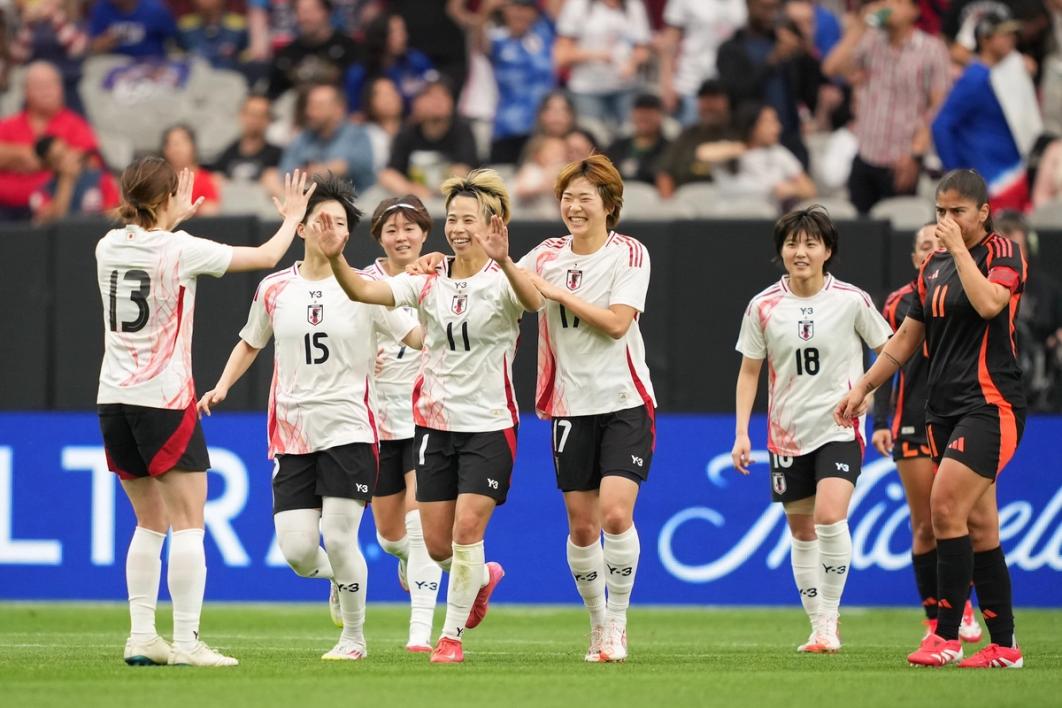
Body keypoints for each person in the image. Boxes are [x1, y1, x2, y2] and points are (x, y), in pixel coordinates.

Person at [312, 168, 543, 664]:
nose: (458, 228)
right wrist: (334, 257)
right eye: (453, 219)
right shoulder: (429, 277)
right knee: (437, 547)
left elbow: (535, 301)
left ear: (493, 223)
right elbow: (364, 293)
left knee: (465, 533)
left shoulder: (505, 278)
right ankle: (482, 577)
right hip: (434, 426)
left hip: (489, 424)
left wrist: (505, 261)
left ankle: (449, 637)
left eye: (469, 219)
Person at [96, 162, 315, 667]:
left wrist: (172, 217)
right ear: (166, 198)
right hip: (165, 399)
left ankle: (142, 635)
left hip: (114, 397)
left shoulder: (107, 247)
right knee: (189, 522)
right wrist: (292, 217)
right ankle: (189, 641)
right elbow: (265, 255)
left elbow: (147, 241)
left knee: (148, 523)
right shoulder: (180, 249)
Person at [197, 174, 422, 661]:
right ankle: (339, 582)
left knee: (341, 537)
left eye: (339, 222)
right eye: (321, 219)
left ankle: (354, 639)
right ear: (301, 228)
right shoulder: (275, 288)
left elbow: (416, 337)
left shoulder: (367, 288)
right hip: (291, 431)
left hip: (350, 428)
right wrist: (222, 384)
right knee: (299, 553)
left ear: (348, 234)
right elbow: (251, 341)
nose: (329, 228)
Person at [837, 169, 1028, 669]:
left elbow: (990, 303)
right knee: (982, 527)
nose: (946, 222)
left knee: (943, 509)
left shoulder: (1003, 253)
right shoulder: (934, 268)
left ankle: (945, 635)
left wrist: (960, 250)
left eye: (957, 212)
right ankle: (1004, 647)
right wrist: (863, 387)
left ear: (983, 213)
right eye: (940, 212)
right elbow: (905, 339)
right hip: (940, 411)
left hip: (990, 405)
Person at [732, 206, 892, 653]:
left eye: (810, 243)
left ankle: (829, 619)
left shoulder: (851, 300)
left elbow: (891, 348)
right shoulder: (763, 306)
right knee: (800, 531)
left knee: (828, 517)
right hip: (786, 433)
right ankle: (817, 624)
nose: (800, 252)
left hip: (839, 427)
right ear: (781, 251)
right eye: (791, 243)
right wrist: (742, 432)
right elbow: (749, 372)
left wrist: (864, 390)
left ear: (828, 251)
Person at [516, 154, 656, 663]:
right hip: (569, 405)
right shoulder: (546, 253)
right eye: (567, 198)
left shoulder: (629, 254)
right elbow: (503, 285)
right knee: (581, 527)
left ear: (609, 204)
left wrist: (556, 294)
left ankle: (617, 623)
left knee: (616, 516)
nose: (573, 207)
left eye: (584, 198)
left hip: (624, 400)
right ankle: (597, 624)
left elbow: (618, 323)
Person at [871, 223, 983, 643]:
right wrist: (881, 422)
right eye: (923, 245)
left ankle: (963, 607)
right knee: (926, 524)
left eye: (938, 242)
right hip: (914, 422)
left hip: (964, 417)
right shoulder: (900, 302)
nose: (931, 250)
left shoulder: (971, 294)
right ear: (915, 257)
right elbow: (887, 363)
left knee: (964, 519)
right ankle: (936, 619)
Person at [360, 195, 442, 652]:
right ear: (379, 238)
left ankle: (420, 633)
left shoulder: (441, 276)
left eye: (409, 228)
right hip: (376, 420)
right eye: (391, 229)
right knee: (391, 538)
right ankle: (428, 565)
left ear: (424, 233)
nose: (401, 236)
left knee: (418, 526)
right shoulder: (360, 284)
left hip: (426, 416)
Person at [823, 0, 951, 214]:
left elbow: (939, 107)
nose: (889, 5)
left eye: (898, 1)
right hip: (866, 153)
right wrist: (860, 28)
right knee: (860, 229)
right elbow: (831, 68)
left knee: (898, 228)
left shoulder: (931, 49)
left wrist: (915, 154)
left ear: (914, 10)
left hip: (902, 159)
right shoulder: (871, 41)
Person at [932, 10, 1040, 212]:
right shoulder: (975, 78)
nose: (1011, 40)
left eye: (1012, 34)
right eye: (1004, 34)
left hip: (1012, 175)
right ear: (985, 39)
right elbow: (941, 126)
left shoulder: (1001, 73)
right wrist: (957, 176)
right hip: (993, 183)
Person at [716, 0, 827, 168]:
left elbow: (812, 90)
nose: (771, 14)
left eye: (776, 8)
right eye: (765, 7)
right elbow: (737, 92)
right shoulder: (731, 49)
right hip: (751, 147)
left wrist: (806, 49)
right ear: (749, 6)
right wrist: (772, 60)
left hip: (790, 141)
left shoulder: (785, 42)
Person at [0, 61, 101, 220]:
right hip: (5, 210)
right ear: (25, 91)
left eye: (51, 85)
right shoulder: (8, 125)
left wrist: (11, 159)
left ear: (61, 89)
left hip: (58, 212)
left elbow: (90, 163)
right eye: (39, 86)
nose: (46, 91)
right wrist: (39, 158)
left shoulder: (76, 125)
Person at [554, 0, 652, 133]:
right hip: (588, 89)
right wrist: (598, 56)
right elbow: (561, 55)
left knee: (628, 135)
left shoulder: (633, 5)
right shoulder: (578, 5)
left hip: (626, 88)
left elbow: (643, 48)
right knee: (593, 140)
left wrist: (632, 64)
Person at [377, 79, 479, 200]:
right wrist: (410, 190)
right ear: (417, 103)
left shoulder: (462, 130)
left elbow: (466, 170)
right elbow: (388, 175)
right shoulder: (407, 133)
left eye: (444, 95)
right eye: (431, 96)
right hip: (415, 202)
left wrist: (437, 190)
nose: (438, 102)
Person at [658, 0, 748, 125]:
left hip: (729, 87)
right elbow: (670, 40)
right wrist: (667, 83)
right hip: (692, 84)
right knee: (690, 139)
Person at [716, 102, 815, 211]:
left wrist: (792, 189)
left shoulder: (779, 153)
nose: (778, 128)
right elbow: (703, 153)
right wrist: (742, 149)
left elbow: (809, 189)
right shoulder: (729, 150)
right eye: (770, 122)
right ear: (752, 126)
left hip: (766, 220)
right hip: (728, 217)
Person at [278, 83, 376, 192]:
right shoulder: (303, 137)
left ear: (338, 109)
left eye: (318, 106)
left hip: (353, 201)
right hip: (309, 201)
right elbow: (285, 172)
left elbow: (361, 167)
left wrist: (318, 171)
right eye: (309, 105)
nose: (309, 112)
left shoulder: (357, 135)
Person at [656, 79, 738, 198]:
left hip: (729, 204)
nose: (709, 105)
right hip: (686, 206)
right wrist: (670, 206)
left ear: (726, 102)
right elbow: (665, 172)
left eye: (714, 99)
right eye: (704, 99)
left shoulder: (738, 133)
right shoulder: (687, 135)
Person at [343, 12, 435, 115]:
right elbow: (353, 113)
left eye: (403, 31)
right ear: (380, 36)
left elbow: (434, 90)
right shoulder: (358, 73)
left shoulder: (417, 60)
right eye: (396, 32)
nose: (404, 36)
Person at [266, 0, 360, 99]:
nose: (305, 18)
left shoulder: (348, 47)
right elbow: (273, 95)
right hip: (296, 110)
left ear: (327, 12)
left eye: (311, 11)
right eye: (300, 12)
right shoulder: (286, 54)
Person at [29, 135, 121, 223]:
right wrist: (66, 180)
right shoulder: (43, 193)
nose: (68, 158)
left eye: (67, 150)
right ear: (48, 166)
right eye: (59, 158)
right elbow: (55, 222)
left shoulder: (101, 179)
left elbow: (113, 216)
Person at [212, 94, 283, 184]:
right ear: (241, 116)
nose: (254, 120)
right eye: (251, 114)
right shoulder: (228, 153)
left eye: (260, 115)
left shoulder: (278, 156)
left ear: (268, 120)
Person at [604, 93, 670, 185]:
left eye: (649, 112)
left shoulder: (669, 149)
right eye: (640, 112)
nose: (644, 116)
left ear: (661, 116)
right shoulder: (617, 146)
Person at [161, 124, 220, 216]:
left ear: (193, 146)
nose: (176, 149)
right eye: (171, 144)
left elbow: (210, 212)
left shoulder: (206, 180)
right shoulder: (158, 180)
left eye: (181, 142)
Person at [177, 0, 250, 71]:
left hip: (230, 77)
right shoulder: (185, 27)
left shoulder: (238, 26)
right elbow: (178, 61)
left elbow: (248, 61)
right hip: (196, 78)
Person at [89, 0, 178, 58]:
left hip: (151, 63)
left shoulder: (155, 8)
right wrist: (103, 43)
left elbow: (173, 38)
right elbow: (94, 45)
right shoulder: (101, 8)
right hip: (115, 64)